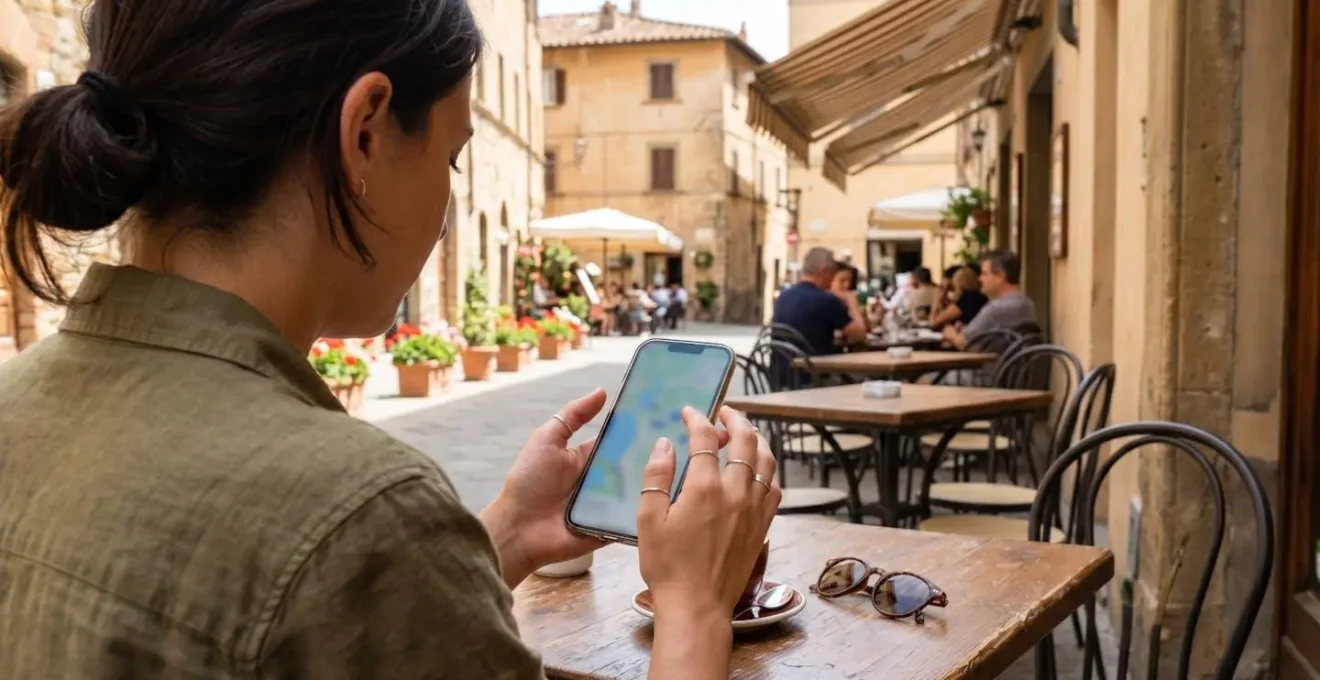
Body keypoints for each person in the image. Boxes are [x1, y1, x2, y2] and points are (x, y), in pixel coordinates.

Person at [0, 1, 781, 677]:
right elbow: (323, 560)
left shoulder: (16, 403)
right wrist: (695, 609)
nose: (448, 197)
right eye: (450, 154)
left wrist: (500, 536)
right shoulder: (361, 508)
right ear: (365, 132)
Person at [772, 247, 867, 355]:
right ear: (825, 270)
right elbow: (859, 335)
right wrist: (852, 301)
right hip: (812, 368)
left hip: (778, 368)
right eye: (832, 272)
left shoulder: (784, 296)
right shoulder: (825, 300)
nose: (832, 277)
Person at [944, 249, 1039, 350]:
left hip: (989, 364)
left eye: (984, 274)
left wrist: (950, 333)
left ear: (1000, 277)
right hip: (1017, 365)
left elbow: (965, 343)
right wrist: (966, 329)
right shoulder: (1027, 304)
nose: (980, 278)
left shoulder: (995, 308)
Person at [930, 266, 989, 331]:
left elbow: (934, 323)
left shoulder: (966, 299)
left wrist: (936, 299)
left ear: (958, 284)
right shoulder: (981, 297)